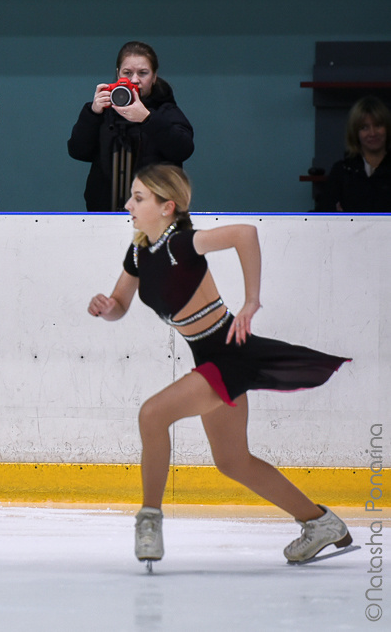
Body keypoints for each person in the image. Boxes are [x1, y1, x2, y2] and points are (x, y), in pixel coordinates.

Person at [87, 164, 351, 566]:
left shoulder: (182, 243)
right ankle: (320, 523)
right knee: (232, 461)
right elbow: (120, 304)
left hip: (228, 355)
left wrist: (251, 300)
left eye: (138, 198)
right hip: (211, 357)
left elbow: (245, 234)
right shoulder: (140, 251)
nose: (128, 205)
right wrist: (106, 308)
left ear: (167, 207)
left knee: (152, 415)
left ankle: (149, 519)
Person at [68, 42, 194, 212]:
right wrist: (93, 113)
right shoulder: (102, 111)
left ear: (154, 77)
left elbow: (183, 150)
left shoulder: (167, 112)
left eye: (143, 73)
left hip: (154, 214)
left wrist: (147, 119)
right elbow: (77, 151)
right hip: (104, 213)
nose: (135, 80)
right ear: (118, 74)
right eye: (127, 73)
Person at [319, 95, 391, 212]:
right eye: (364, 127)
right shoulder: (341, 171)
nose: (372, 133)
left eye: (378, 125)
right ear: (355, 133)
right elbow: (322, 214)